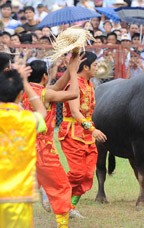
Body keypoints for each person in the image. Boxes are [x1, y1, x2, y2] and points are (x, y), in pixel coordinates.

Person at [22, 56, 82, 226]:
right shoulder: (45, 93)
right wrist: (72, 72)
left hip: (23, 144)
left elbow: (56, 87)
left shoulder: (26, 90)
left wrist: (70, 69)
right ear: (44, 77)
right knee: (61, 186)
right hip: (42, 148)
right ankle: (62, 223)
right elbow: (73, 94)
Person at [58, 51, 107, 217]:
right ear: (85, 67)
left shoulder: (89, 84)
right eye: (94, 65)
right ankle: (55, 194)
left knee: (87, 176)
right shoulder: (74, 84)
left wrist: (91, 130)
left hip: (87, 134)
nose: (97, 67)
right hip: (73, 133)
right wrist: (94, 130)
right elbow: (75, 111)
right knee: (78, 172)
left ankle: (70, 207)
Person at [0, 64, 47, 227]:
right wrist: (25, 83)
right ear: (21, 95)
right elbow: (42, 111)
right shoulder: (28, 120)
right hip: (19, 195)